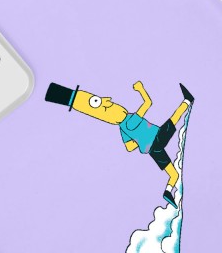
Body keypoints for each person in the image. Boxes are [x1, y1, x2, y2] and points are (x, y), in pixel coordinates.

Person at [45, 81, 194, 208]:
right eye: (112, 106)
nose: (115, 105)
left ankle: (168, 191)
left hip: (152, 150)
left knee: (173, 174)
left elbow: (129, 147)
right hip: (158, 138)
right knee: (174, 118)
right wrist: (140, 89)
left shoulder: (122, 130)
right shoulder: (131, 119)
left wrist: (140, 142)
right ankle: (187, 101)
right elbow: (148, 102)